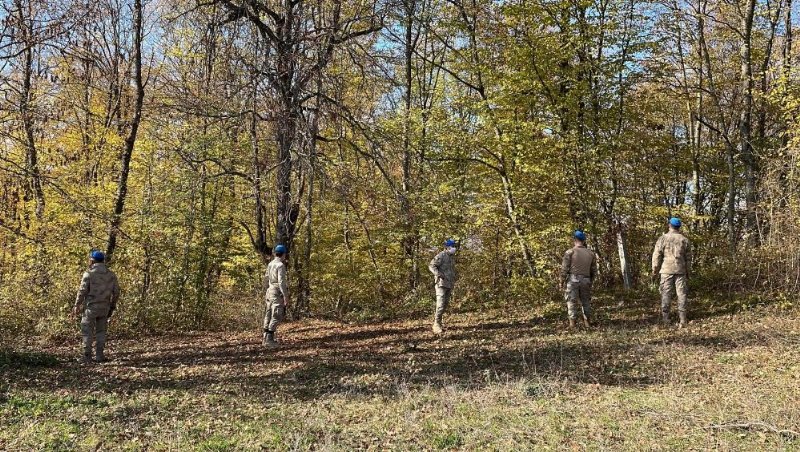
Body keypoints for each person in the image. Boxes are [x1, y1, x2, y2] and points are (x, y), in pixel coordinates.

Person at [72, 250, 120, 364]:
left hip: (91, 307)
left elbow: (82, 291)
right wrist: (112, 305)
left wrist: (77, 305)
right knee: (101, 331)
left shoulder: (89, 273)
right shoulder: (111, 274)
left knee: (87, 331)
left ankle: (87, 356)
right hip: (104, 307)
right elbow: (116, 292)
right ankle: (99, 355)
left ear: (92, 260)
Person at [651, 217, 692, 328]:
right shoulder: (685, 240)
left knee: (665, 294)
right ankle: (683, 320)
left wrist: (654, 271)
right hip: (681, 270)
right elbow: (688, 259)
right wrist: (688, 272)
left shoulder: (662, 239)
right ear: (679, 227)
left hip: (666, 271)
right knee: (681, 294)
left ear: (669, 225)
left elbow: (656, 256)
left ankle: (665, 319)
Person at [561, 230, 597, 329]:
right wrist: (591, 281)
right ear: (584, 240)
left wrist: (562, 280)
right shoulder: (591, 253)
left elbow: (564, 269)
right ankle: (587, 323)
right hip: (586, 280)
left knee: (571, 302)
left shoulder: (570, 252)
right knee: (586, 301)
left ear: (574, 239)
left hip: (573, 280)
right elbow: (594, 270)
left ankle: (572, 325)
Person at [428, 238, 458, 334]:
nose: (454, 248)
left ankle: (439, 323)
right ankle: (436, 324)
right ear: (447, 247)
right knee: (440, 304)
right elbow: (431, 265)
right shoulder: (441, 255)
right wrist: (438, 274)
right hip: (441, 283)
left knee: (445, 305)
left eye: (454, 246)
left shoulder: (451, 257)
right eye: (452, 246)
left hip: (449, 283)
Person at [263, 244, 289, 347]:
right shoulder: (280, 265)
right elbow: (281, 282)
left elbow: (266, 278)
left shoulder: (270, 264)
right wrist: (285, 296)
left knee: (268, 314)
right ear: (283, 254)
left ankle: (265, 338)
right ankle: (269, 340)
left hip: (269, 291)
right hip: (276, 292)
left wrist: (267, 289)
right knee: (276, 315)